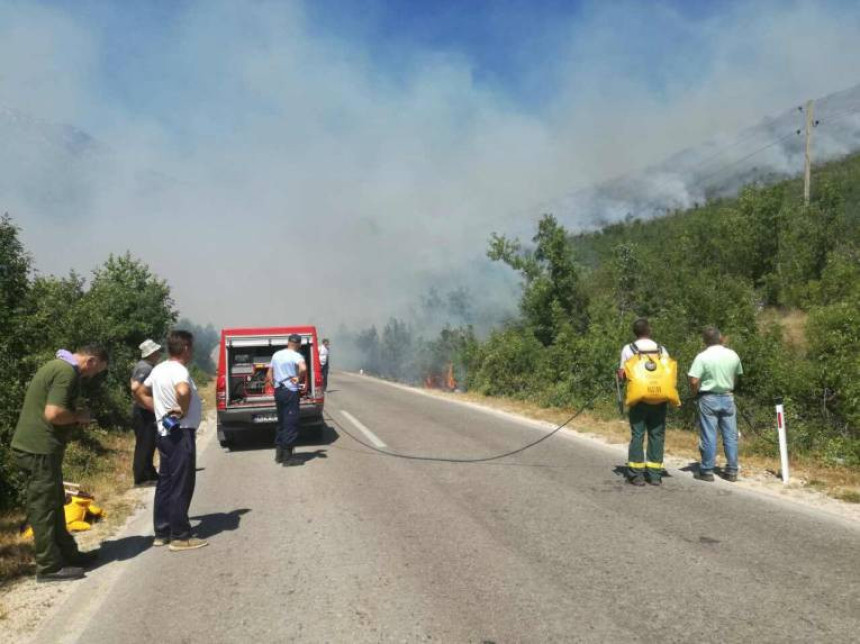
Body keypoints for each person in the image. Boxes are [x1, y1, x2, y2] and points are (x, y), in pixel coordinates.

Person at [11, 345, 109, 582]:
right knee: (44, 508)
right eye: (96, 371)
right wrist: (78, 417)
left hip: (41, 450)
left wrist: (74, 413)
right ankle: (48, 567)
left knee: (55, 503)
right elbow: (54, 414)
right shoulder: (66, 372)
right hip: (39, 450)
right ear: (92, 360)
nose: (92, 376)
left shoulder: (58, 366)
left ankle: (68, 555)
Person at [134, 330, 208, 551]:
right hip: (180, 432)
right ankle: (180, 536)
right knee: (181, 483)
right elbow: (183, 390)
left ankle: (162, 532)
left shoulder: (159, 368)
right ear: (185, 348)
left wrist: (157, 409)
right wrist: (182, 410)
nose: (192, 351)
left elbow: (139, 391)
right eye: (191, 348)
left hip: (164, 433)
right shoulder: (178, 370)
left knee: (165, 482)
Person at [688, 326, 744, 483]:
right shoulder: (733, 355)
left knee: (709, 435)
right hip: (727, 396)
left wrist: (695, 392)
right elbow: (737, 375)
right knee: (730, 435)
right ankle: (732, 470)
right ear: (721, 338)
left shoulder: (702, 357)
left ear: (704, 341)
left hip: (708, 397)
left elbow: (693, 379)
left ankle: (707, 470)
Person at [618, 318, 669, 487]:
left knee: (638, 435)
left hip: (639, 399)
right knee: (656, 435)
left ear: (636, 332)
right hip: (659, 398)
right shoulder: (661, 349)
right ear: (650, 330)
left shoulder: (629, 349)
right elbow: (668, 373)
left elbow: (622, 374)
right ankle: (655, 475)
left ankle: (636, 475)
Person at [266, 334, 307, 466]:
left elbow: (269, 372)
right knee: (291, 422)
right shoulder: (297, 356)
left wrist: (273, 382)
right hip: (290, 391)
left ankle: (279, 455)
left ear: (288, 342)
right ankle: (288, 458)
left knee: (282, 421)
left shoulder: (276, 354)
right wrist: (299, 378)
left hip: (279, 391)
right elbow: (303, 368)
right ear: (299, 345)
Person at [129, 339, 162, 486]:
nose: (159, 353)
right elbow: (135, 387)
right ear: (151, 353)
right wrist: (145, 403)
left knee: (149, 443)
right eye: (156, 351)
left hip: (143, 409)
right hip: (144, 411)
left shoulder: (144, 366)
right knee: (145, 444)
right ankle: (142, 478)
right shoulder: (146, 368)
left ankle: (149, 474)